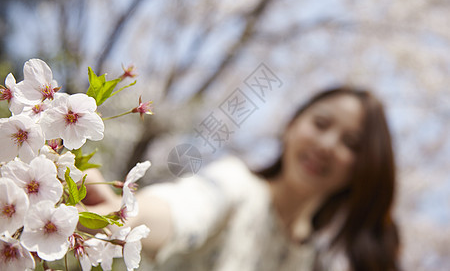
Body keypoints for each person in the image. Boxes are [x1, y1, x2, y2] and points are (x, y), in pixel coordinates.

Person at [85, 86, 400, 271]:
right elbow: (182, 210)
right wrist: (117, 213)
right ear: (291, 126)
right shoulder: (237, 186)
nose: (327, 145)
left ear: (365, 169)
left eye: (351, 144)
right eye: (320, 123)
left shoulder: (317, 262)